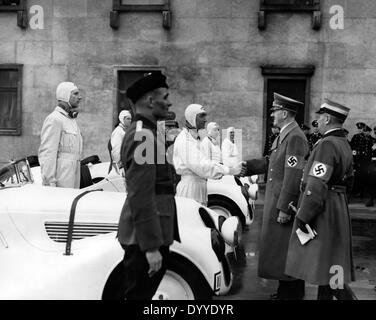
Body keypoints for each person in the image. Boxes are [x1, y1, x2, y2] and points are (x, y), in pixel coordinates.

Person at [117, 71, 180, 300]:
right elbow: (141, 194)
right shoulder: (144, 136)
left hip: (149, 233)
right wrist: (151, 247)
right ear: (151, 101)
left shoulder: (149, 133)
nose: (169, 101)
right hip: (143, 238)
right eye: (165, 96)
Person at [285, 99, 356, 300]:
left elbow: (316, 184)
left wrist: (304, 215)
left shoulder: (326, 144)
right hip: (338, 205)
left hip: (325, 207)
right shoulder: (343, 143)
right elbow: (350, 181)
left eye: (319, 116)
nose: (318, 120)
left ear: (326, 118)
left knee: (328, 263)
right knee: (333, 263)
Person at [241, 93, 309, 300]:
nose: (272, 115)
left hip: (283, 202)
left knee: (287, 249)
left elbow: (293, 174)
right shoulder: (284, 135)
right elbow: (273, 162)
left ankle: (292, 294)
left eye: (275, 111)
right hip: (276, 199)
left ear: (285, 113)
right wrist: (249, 166)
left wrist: (285, 207)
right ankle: (284, 290)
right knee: (280, 250)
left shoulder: (295, 136)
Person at [173, 104, 242, 206]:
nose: (205, 119)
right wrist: (229, 170)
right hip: (190, 190)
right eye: (202, 116)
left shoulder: (195, 138)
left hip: (199, 187)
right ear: (192, 117)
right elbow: (202, 166)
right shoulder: (185, 140)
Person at [38, 82, 83, 188]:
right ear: (65, 95)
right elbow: (48, 152)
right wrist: (49, 180)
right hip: (62, 174)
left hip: (74, 170)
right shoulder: (54, 119)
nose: (79, 97)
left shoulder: (71, 120)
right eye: (75, 94)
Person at [108, 110, 132, 174]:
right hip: (120, 168)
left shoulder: (124, 131)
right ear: (122, 119)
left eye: (130, 119)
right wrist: (119, 166)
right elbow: (116, 150)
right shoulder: (118, 132)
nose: (130, 121)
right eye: (128, 119)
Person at [350, 122, 367, 197]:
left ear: (363, 129)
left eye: (361, 129)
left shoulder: (366, 137)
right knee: (355, 176)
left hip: (363, 160)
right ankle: (355, 191)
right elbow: (352, 147)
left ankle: (362, 192)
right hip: (356, 159)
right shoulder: (355, 137)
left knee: (362, 176)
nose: (360, 130)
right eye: (359, 129)